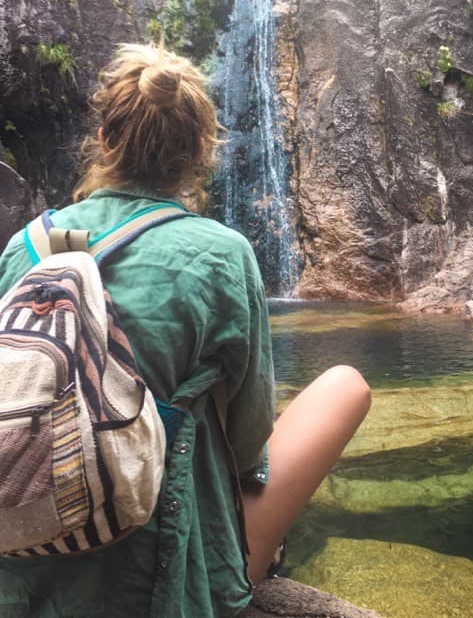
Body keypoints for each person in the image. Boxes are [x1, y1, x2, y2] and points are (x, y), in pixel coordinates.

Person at [0, 43, 371, 617]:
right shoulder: (224, 254)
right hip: (160, 573)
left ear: (104, 141)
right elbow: (249, 446)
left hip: (25, 548)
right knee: (345, 385)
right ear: (201, 150)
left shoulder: (27, 247)